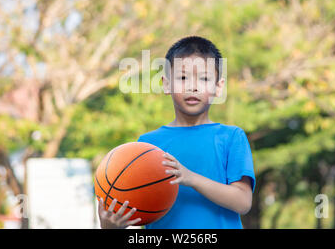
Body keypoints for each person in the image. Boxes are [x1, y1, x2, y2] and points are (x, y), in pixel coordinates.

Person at [98, 36, 256, 229]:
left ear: (218, 87)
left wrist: (191, 178)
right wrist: (111, 226)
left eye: (204, 78)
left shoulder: (231, 137)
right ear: (166, 84)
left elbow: (243, 202)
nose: (193, 86)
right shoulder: (145, 146)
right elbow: (136, 209)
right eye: (182, 78)